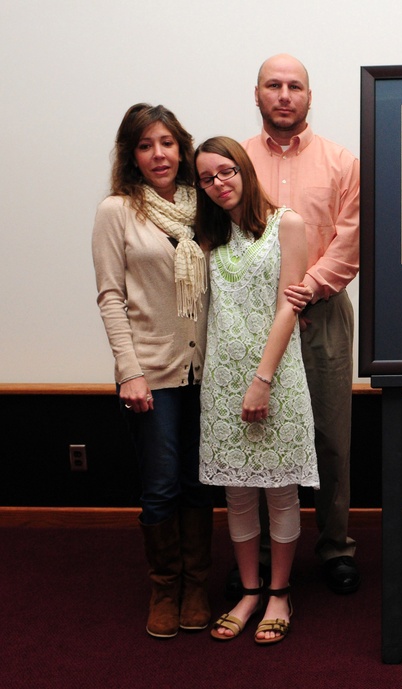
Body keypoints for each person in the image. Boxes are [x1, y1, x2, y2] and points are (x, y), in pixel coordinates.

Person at [92, 103, 213, 638]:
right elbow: (111, 296)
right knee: (162, 485)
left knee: (197, 482)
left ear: (182, 148)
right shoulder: (116, 211)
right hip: (151, 373)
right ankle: (165, 588)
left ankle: (198, 585)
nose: (158, 154)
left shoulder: (204, 206)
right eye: (145, 145)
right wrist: (129, 370)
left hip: (206, 371)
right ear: (131, 156)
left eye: (166, 143)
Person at [242, 53, 361, 594]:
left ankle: (335, 546)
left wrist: (305, 289)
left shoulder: (342, 161)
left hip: (323, 314)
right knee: (263, 436)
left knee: (332, 438)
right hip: (254, 319)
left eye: (295, 86)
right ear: (258, 94)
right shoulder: (235, 161)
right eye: (274, 85)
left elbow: (350, 238)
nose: (284, 94)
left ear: (310, 97)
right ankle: (263, 553)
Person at [194, 136, 318, 645]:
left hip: (275, 377)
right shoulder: (209, 235)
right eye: (206, 178)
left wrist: (262, 381)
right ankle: (248, 592)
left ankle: (280, 593)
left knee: (280, 492)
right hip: (222, 379)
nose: (219, 184)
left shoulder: (286, 224)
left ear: (244, 169)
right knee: (238, 495)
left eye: (226, 171)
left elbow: (290, 305)